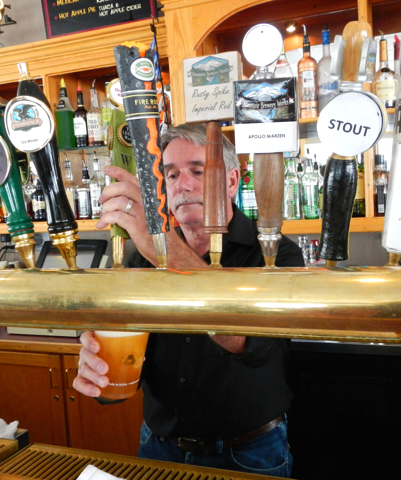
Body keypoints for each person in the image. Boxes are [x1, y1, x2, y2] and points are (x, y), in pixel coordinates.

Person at [73, 123, 304, 478]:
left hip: (249, 455)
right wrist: (100, 371)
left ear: (231, 181)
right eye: (171, 174)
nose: (183, 185)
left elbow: (252, 346)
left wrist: (166, 252)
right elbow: (121, 362)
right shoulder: (140, 257)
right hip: (159, 447)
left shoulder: (275, 254)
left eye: (198, 171)